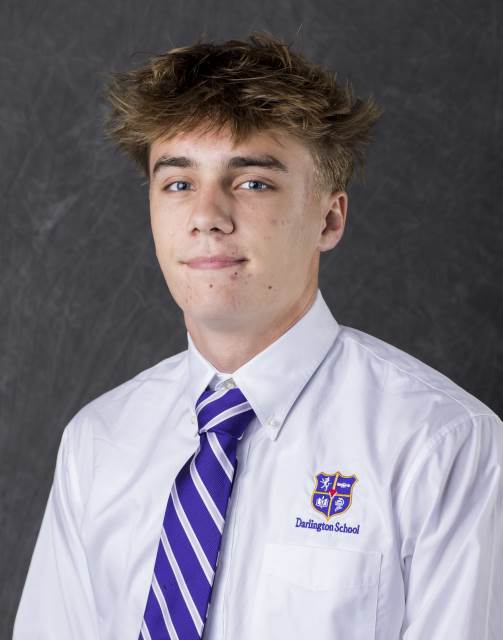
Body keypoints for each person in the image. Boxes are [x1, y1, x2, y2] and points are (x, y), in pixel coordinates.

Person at [13, 32, 502, 640]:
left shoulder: (442, 445)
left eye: (252, 183)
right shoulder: (99, 442)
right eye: (178, 183)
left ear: (329, 218)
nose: (207, 217)